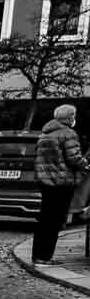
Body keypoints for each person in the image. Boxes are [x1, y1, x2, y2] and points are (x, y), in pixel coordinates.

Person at [33, 104, 89, 263]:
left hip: (46, 182)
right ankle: (45, 257)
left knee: (44, 219)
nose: (74, 119)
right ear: (69, 117)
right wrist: (86, 165)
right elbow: (74, 158)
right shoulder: (68, 134)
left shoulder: (45, 134)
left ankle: (38, 255)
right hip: (62, 183)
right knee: (56, 220)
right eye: (73, 116)